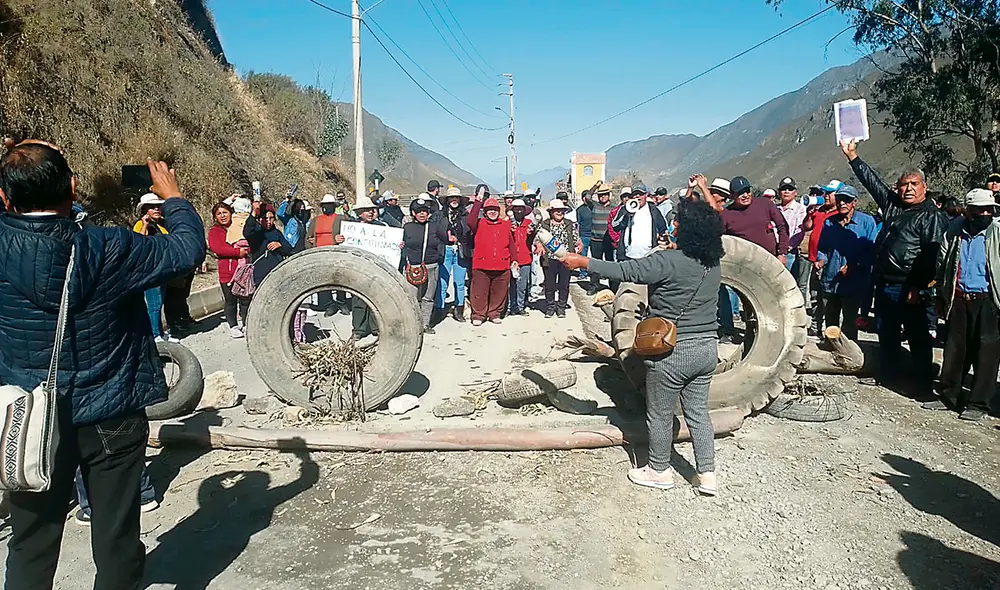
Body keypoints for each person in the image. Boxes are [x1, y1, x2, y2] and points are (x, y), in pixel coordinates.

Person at [0, 143, 205, 589]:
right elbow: (187, 250)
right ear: (73, 187)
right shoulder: (110, 247)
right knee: (116, 537)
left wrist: (19, 162)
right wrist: (172, 196)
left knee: (30, 542)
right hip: (110, 414)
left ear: (4, 198)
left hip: (30, 419)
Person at [561, 199, 723, 496]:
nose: (673, 226)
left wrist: (584, 263)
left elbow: (627, 271)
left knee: (660, 413)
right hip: (707, 350)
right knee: (698, 412)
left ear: (688, 231)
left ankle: (658, 470)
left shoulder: (668, 261)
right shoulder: (712, 264)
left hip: (672, 351)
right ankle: (707, 475)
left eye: (678, 224)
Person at [842, 139, 949, 395]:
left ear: (925, 187)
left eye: (914, 184)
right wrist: (853, 156)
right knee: (886, 332)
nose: (908, 189)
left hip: (910, 287)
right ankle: (888, 375)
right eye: (904, 185)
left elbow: (933, 256)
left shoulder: (931, 216)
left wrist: (918, 286)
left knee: (918, 336)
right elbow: (873, 183)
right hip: (884, 283)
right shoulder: (893, 207)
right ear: (898, 188)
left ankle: (923, 382)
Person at [924, 189, 1000, 421]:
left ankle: (978, 404)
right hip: (958, 298)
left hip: (987, 300)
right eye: (979, 209)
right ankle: (949, 396)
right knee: (955, 350)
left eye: (989, 209)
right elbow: (943, 260)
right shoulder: (956, 230)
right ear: (968, 210)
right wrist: (940, 293)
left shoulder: (996, 232)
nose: (985, 213)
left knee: (986, 353)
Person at [814, 185, 878, 341]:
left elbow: (872, 251)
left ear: (854, 202)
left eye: (847, 200)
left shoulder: (867, 222)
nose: (842, 203)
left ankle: (849, 357)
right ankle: (830, 352)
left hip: (854, 283)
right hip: (830, 281)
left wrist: (854, 265)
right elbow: (823, 248)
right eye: (840, 199)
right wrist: (821, 260)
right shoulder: (829, 223)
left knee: (849, 323)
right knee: (831, 323)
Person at [334, 195, 386, 340]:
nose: (370, 212)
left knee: (376, 298)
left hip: (376, 268)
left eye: (371, 210)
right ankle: (358, 329)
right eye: (366, 210)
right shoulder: (351, 228)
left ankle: (376, 327)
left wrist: (397, 246)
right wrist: (338, 240)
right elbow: (341, 243)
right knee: (358, 299)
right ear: (359, 213)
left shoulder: (381, 227)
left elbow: (391, 245)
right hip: (358, 269)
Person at [133, 193, 178, 343]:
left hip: (161, 269)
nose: (156, 209)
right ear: (145, 210)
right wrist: (145, 224)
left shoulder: (160, 226)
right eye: (152, 207)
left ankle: (159, 332)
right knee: (154, 304)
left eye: (158, 206)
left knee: (159, 303)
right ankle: (154, 334)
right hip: (149, 270)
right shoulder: (141, 225)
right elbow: (137, 243)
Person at [466, 196, 516, 325]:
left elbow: (511, 244)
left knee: (499, 291)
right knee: (479, 292)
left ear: (499, 211)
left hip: (502, 263)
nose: (492, 212)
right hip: (481, 264)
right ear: (485, 212)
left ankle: (495, 313)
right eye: (489, 210)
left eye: (495, 209)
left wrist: (514, 260)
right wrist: (478, 202)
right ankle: (478, 315)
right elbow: (470, 221)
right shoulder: (479, 223)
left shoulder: (505, 225)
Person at [402, 194, 447, 333]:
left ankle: (425, 324)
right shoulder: (407, 227)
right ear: (413, 213)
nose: (422, 214)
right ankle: (412, 324)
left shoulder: (435, 226)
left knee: (428, 297)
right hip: (412, 268)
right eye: (419, 211)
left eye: (425, 211)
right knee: (412, 298)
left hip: (431, 266)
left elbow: (446, 239)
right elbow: (397, 244)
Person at [803, 180, 842, 335]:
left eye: (830, 193)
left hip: (828, 262)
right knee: (814, 295)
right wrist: (810, 212)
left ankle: (830, 328)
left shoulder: (839, 214)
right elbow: (807, 226)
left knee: (828, 298)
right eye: (825, 193)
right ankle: (815, 326)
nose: (826, 196)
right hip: (814, 259)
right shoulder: (819, 211)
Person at [208, 202, 251, 338]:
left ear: (231, 213)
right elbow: (218, 249)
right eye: (219, 214)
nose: (222, 216)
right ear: (215, 217)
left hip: (244, 270)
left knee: (245, 299)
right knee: (230, 300)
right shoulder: (215, 232)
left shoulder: (240, 227)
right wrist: (238, 252)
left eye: (225, 212)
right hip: (227, 271)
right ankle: (233, 326)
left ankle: (245, 323)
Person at [536, 198, 582, 318]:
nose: (559, 212)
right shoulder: (545, 224)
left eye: (561, 210)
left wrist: (579, 243)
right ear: (551, 212)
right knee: (550, 285)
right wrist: (539, 244)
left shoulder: (569, 224)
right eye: (556, 210)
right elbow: (537, 238)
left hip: (566, 258)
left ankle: (561, 307)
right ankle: (550, 307)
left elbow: (576, 237)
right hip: (550, 259)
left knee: (564, 284)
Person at [307, 193, 348, 316]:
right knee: (324, 280)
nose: (327, 207)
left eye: (329, 205)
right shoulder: (316, 220)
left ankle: (342, 302)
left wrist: (342, 239)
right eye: (325, 205)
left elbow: (350, 234)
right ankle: (329, 304)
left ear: (334, 206)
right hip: (320, 254)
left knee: (339, 279)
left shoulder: (341, 218)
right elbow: (309, 237)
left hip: (337, 254)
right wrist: (311, 242)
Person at [436, 187, 471, 322]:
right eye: (452, 198)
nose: (454, 200)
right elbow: (435, 232)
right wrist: (446, 237)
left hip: (460, 251)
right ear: (447, 200)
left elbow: (468, 232)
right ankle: (440, 309)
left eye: (456, 198)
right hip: (445, 250)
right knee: (443, 281)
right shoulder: (439, 215)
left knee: (459, 282)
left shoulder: (465, 216)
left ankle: (459, 309)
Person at [611, 184, 669, 262]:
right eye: (635, 194)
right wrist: (627, 215)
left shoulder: (653, 210)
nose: (637, 196)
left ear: (646, 195)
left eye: (640, 194)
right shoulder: (625, 208)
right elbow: (615, 226)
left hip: (648, 256)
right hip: (627, 256)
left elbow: (663, 228)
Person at [776, 176, 810, 304]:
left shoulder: (800, 209)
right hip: (774, 251)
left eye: (789, 189)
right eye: (784, 189)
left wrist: (785, 248)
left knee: (789, 283)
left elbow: (799, 232)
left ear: (795, 192)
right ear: (779, 192)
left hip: (789, 252)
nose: (786, 192)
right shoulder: (775, 209)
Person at [587, 183, 617, 294]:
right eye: (600, 195)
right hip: (595, 241)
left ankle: (613, 287)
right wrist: (595, 186)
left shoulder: (614, 209)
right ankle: (594, 286)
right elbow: (587, 197)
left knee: (610, 263)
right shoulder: (594, 206)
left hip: (609, 241)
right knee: (595, 264)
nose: (602, 197)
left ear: (609, 195)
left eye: (604, 194)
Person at [508, 198, 535, 316]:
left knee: (522, 285)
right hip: (510, 259)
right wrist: (510, 232)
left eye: (521, 209)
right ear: (512, 210)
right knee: (510, 285)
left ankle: (520, 306)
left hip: (525, 258)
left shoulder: (529, 224)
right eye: (516, 209)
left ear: (524, 211)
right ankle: (510, 307)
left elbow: (535, 240)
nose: (518, 211)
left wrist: (532, 233)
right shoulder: (507, 224)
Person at [575, 190, 594, 279]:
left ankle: (595, 272)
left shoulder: (594, 207)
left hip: (594, 235)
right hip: (584, 235)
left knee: (595, 256)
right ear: (582, 198)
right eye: (585, 197)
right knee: (583, 255)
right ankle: (583, 273)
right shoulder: (579, 209)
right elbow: (578, 223)